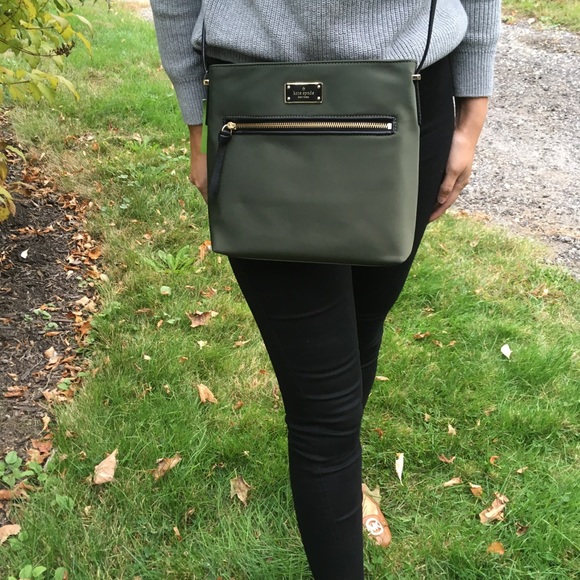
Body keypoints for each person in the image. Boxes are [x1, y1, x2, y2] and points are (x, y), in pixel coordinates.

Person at [150, 1, 501, 578]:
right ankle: (337, 471)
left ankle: (343, 475)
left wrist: (473, 112)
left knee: (365, 322)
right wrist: (196, 124)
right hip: (258, 100)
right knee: (324, 408)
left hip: (410, 93)